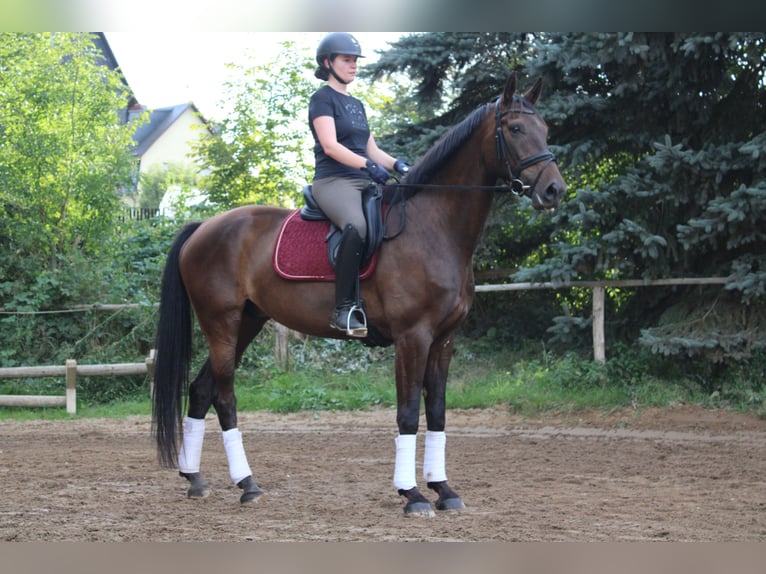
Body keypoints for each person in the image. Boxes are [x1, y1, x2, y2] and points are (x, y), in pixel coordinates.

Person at [308, 32, 410, 338]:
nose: (353, 66)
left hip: (363, 180)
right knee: (357, 225)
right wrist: (368, 165)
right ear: (327, 63)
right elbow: (330, 146)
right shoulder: (322, 99)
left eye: (355, 61)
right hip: (333, 180)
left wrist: (400, 166)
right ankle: (343, 309)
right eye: (346, 60)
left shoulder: (356, 104)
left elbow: (372, 150)